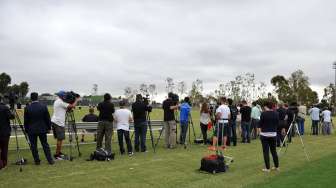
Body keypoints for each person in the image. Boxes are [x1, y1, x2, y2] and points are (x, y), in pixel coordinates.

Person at [24, 92, 54, 165]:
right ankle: (50, 160)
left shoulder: (27, 108)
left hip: (31, 129)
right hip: (42, 129)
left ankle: (37, 161)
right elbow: (47, 118)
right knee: (45, 145)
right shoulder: (43, 106)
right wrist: (49, 128)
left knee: (34, 146)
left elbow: (26, 121)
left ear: (31, 98)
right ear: (37, 98)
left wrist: (26, 130)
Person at [51, 91, 79, 160]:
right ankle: (57, 155)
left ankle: (59, 152)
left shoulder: (58, 101)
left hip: (55, 121)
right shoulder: (61, 102)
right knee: (60, 139)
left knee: (59, 139)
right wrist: (76, 100)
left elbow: (67, 109)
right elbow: (72, 106)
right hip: (59, 122)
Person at [258, 101, 279, 172]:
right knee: (274, 151)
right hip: (273, 134)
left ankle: (267, 168)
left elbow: (260, 124)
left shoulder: (263, 114)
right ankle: (277, 166)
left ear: (266, 106)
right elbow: (277, 123)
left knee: (266, 152)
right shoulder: (276, 113)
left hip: (264, 134)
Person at [0, 95, 14, 169]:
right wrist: (11, 111)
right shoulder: (5, 108)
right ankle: (4, 163)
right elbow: (12, 117)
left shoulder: (5, 108)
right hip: (4, 132)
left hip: (4, 131)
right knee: (4, 149)